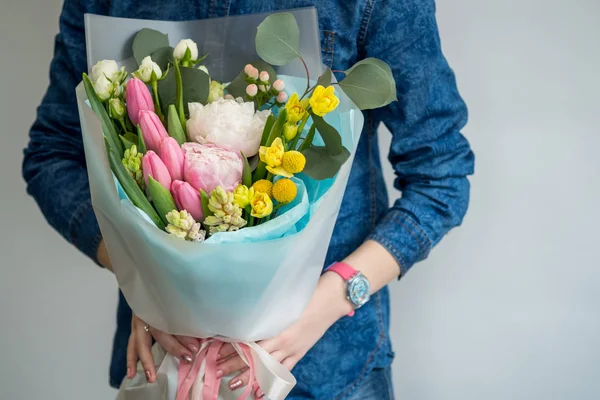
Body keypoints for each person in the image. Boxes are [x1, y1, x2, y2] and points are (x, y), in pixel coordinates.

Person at [23, 0, 474, 398]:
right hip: (165, 364)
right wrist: (143, 285)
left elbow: (442, 175)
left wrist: (320, 306)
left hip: (329, 370)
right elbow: (52, 155)